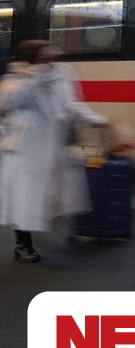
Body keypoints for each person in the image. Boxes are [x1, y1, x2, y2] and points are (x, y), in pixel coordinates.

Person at [0, 40, 107, 263]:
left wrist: (96, 119)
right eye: (44, 58)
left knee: (60, 192)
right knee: (24, 197)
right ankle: (23, 245)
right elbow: (10, 102)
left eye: (51, 57)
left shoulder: (61, 73)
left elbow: (71, 104)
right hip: (25, 150)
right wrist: (35, 76)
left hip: (52, 146)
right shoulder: (15, 78)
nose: (50, 62)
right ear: (30, 60)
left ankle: (83, 230)